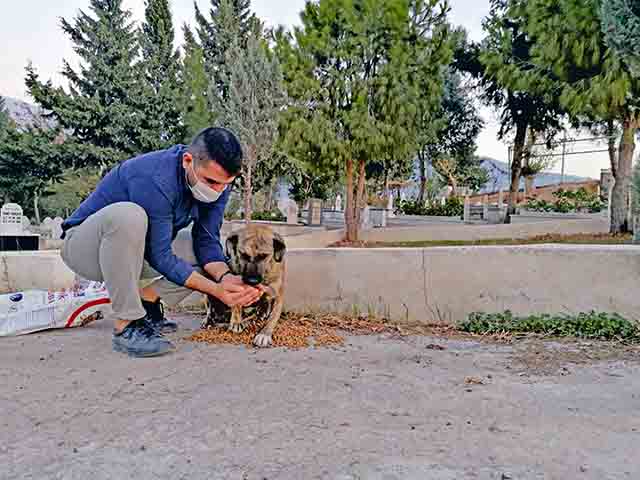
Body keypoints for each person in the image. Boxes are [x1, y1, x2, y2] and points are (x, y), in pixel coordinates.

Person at [60, 127, 262, 357]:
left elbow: (207, 240)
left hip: (137, 251)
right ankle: (127, 325)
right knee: (128, 216)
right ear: (188, 161)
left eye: (225, 184)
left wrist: (226, 279)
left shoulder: (219, 184)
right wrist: (217, 290)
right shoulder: (154, 177)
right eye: (211, 181)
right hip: (86, 249)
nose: (218, 191)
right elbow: (160, 255)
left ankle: (147, 302)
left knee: (205, 255)